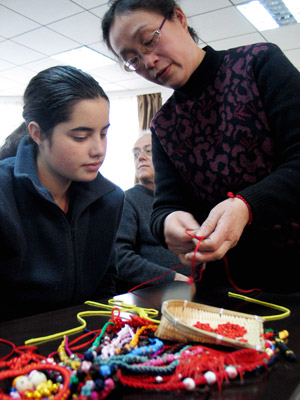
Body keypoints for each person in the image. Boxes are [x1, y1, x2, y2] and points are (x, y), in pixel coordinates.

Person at [102, 0, 300, 293]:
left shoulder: (259, 64)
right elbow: (165, 206)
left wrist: (246, 206)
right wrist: (169, 222)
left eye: (148, 41)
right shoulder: (164, 123)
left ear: (179, 18)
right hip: (226, 288)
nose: (148, 62)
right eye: (132, 59)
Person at [0, 65, 124, 321]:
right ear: (37, 134)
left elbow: (106, 283)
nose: (98, 149)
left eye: (104, 133)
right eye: (81, 136)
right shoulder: (4, 195)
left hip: (84, 343)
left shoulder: (110, 199)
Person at [115, 131, 189, 293]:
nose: (140, 157)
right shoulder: (128, 199)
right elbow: (120, 258)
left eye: (148, 151)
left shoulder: (185, 199)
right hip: (151, 296)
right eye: (135, 153)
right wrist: (173, 278)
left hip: (194, 291)